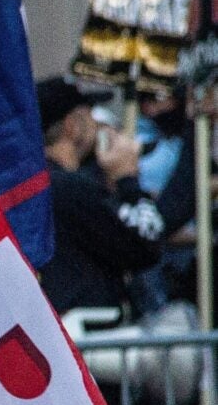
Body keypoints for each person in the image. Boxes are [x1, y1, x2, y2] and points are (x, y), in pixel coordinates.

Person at [36, 77, 163, 315]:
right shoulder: (69, 188)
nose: (97, 123)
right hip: (91, 329)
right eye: (90, 115)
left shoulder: (37, 185)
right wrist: (128, 179)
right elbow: (145, 245)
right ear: (72, 125)